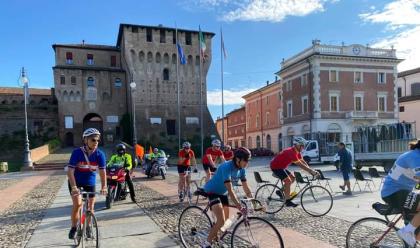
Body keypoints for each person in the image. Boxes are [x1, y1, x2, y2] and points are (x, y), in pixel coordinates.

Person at [201, 147, 253, 248]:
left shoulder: (241, 169)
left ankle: (215, 235)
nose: (247, 163)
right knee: (221, 220)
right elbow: (230, 189)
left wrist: (253, 200)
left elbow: (246, 187)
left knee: (224, 222)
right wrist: (239, 206)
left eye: (248, 160)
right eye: (246, 160)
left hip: (223, 193)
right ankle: (206, 243)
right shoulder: (226, 167)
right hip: (212, 191)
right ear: (238, 159)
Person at [67, 128, 107, 239]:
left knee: (90, 207)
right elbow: (70, 171)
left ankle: (88, 227)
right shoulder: (77, 153)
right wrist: (74, 187)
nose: (96, 142)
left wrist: (104, 187)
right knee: (78, 204)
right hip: (76, 182)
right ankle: (74, 227)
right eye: (93, 140)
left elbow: (103, 172)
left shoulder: (100, 155)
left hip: (90, 182)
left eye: (97, 140)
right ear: (85, 140)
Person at [381, 139, 420, 247]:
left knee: (417, 234)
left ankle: (410, 236)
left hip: (402, 192)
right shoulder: (415, 157)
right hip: (393, 193)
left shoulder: (415, 154)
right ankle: (406, 232)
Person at [270, 137, 319, 207]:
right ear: (297, 145)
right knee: (288, 181)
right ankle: (288, 201)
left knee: (293, 178)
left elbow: (302, 161)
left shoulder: (297, 152)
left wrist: (310, 170)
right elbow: (300, 164)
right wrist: (311, 171)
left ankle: (279, 191)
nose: (303, 147)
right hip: (276, 167)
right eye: (302, 146)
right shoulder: (291, 152)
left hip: (281, 167)